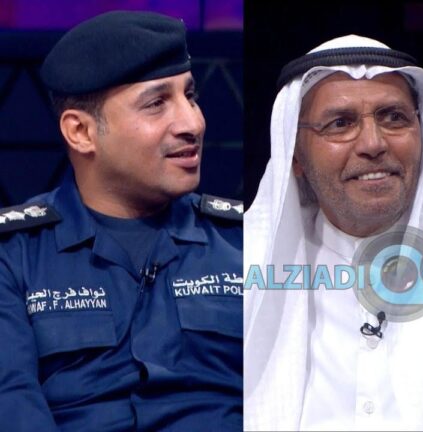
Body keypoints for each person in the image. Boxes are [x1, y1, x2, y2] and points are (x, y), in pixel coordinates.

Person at [0, 11, 243, 431]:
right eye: (156, 104)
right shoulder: (14, 254)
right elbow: (11, 402)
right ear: (80, 132)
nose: (193, 123)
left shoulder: (245, 241)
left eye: (190, 96)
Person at [243, 35, 423, 430]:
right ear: (294, 155)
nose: (373, 144)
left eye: (393, 117)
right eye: (340, 124)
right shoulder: (245, 263)